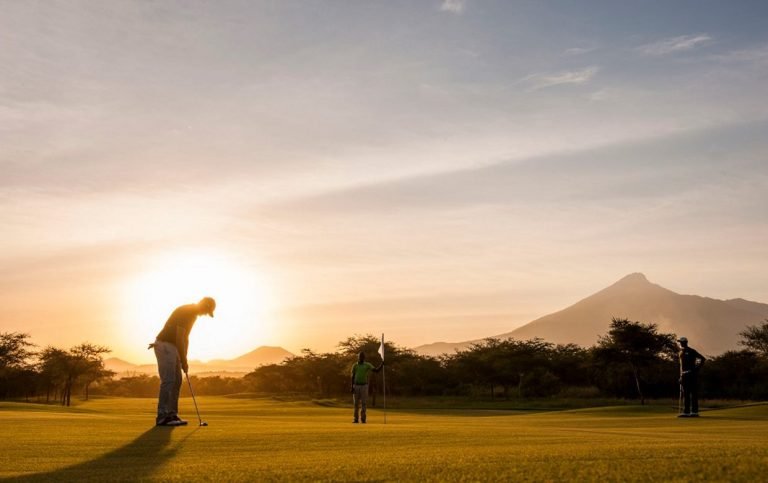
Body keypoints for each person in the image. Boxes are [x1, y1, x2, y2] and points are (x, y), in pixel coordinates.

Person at [149, 297, 216, 426]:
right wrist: (183, 360)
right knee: (168, 380)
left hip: (172, 347)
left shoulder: (193, 315)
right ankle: (162, 417)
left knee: (177, 380)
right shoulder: (188, 311)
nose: (204, 315)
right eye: (206, 311)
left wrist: (184, 358)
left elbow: (185, 338)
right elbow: (179, 337)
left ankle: (172, 414)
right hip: (165, 345)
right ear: (204, 305)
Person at [350, 351, 383, 424]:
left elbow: (376, 371)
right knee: (356, 404)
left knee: (364, 403)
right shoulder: (355, 365)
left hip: (364, 386)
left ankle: (363, 419)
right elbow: (352, 376)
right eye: (359, 357)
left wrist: (382, 364)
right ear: (358, 357)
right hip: (356, 385)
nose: (361, 358)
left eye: (362, 357)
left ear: (364, 358)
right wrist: (352, 387)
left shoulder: (367, 365)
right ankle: (356, 419)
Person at [677, 336, 705, 418]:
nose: (680, 343)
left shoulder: (691, 351)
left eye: (681, 342)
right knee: (686, 393)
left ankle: (694, 412)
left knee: (693, 393)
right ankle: (687, 412)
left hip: (692, 375)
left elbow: (702, 359)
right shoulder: (681, 352)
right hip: (684, 375)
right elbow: (681, 366)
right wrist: (681, 376)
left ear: (685, 342)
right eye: (680, 342)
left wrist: (696, 369)